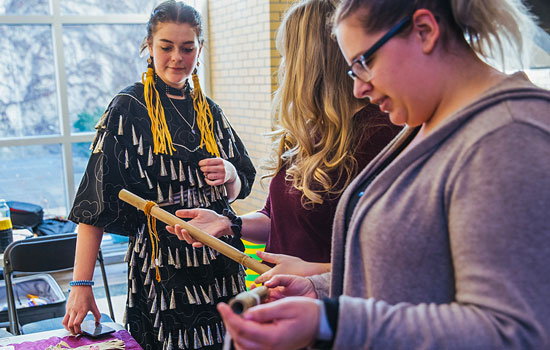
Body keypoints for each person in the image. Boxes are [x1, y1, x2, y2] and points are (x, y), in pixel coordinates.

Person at [215, 0, 550, 349]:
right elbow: (410, 278)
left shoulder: (509, 135)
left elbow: (512, 332)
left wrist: (331, 320)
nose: (359, 88)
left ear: (425, 31)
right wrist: (322, 290)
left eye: (364, 62)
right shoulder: (422, 124)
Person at [63, 1, 256, 349]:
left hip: (222, 265)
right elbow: (95, 202)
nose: (177, 58)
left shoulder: (210, 112)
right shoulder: (128, 107)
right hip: (162, 270)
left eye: (187, 48)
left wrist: (229, 173)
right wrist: (81, 286)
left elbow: (240, 186)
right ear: (149, 47)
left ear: (200, 49)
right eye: (166, 47)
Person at [168, 0, 400, 284]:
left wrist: (313, 273)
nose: (284, 67)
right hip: (289, 308)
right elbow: (276, 221)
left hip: (334, 315)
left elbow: (392, 264)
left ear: (308, 61)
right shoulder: (307, 129)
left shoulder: (380, 133)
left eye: (286, 54)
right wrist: (228, 222)